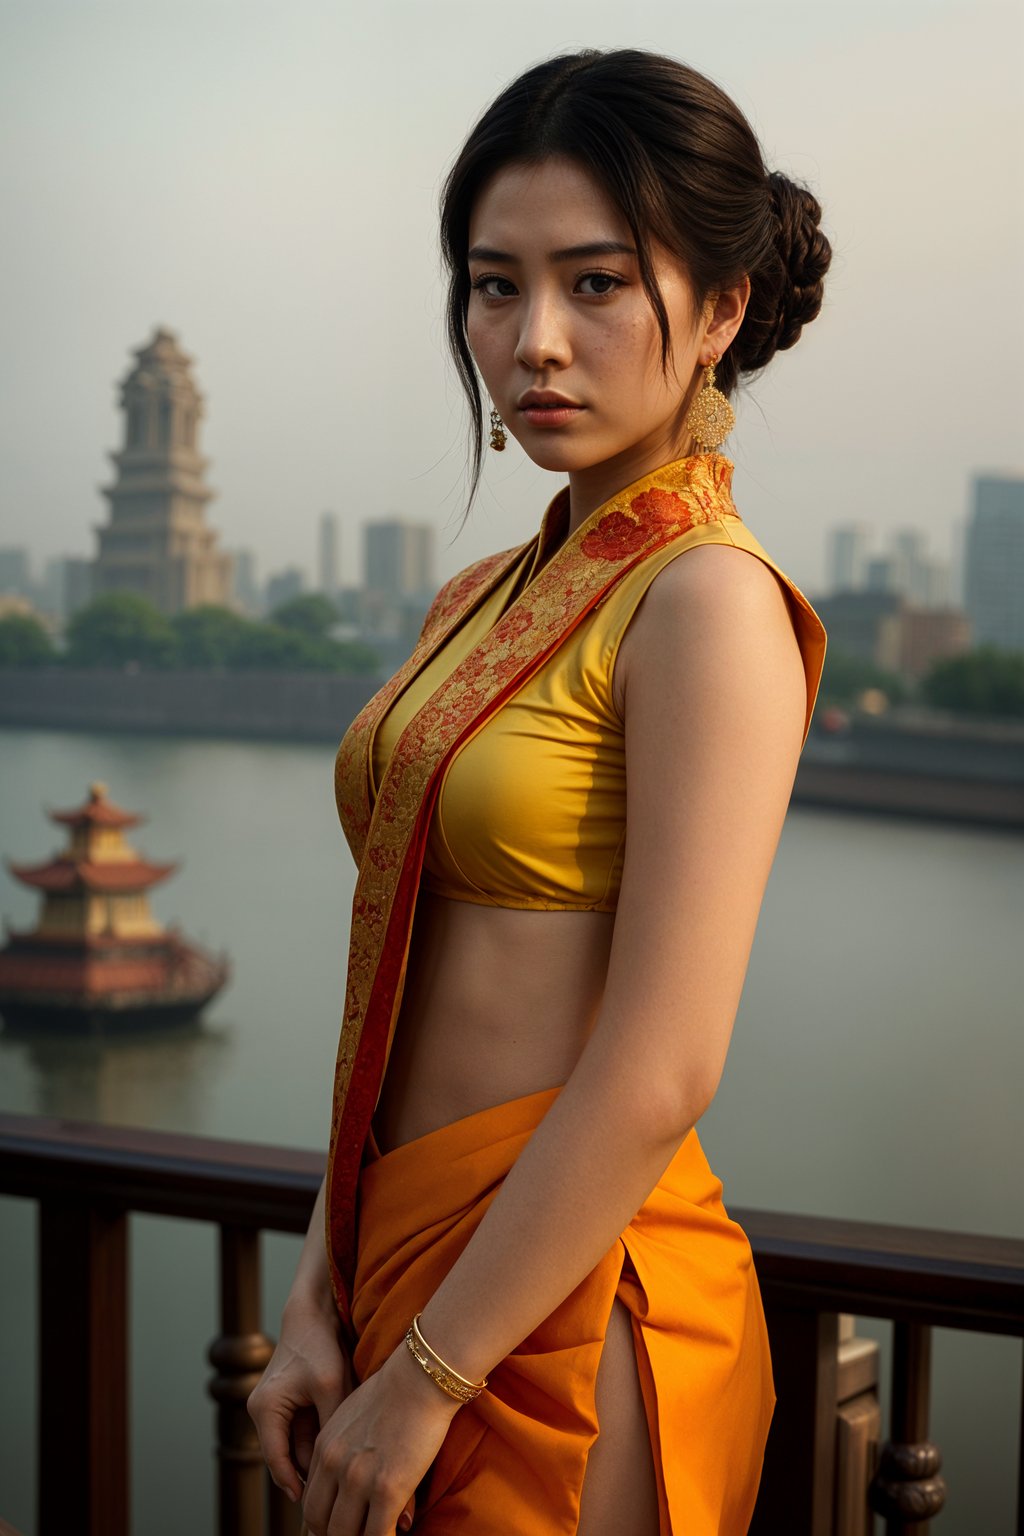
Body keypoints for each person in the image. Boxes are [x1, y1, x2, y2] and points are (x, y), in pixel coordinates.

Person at [249, 46, 832, 1536]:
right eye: (494, 284)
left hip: (565, 1317)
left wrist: (431, 1378)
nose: (534, 342)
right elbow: (393, 963)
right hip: (401, 1278)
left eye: (595, 283)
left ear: (719, 309)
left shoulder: (707, 608)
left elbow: (662, 1067)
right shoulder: (479, 594)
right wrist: (318, 1290)